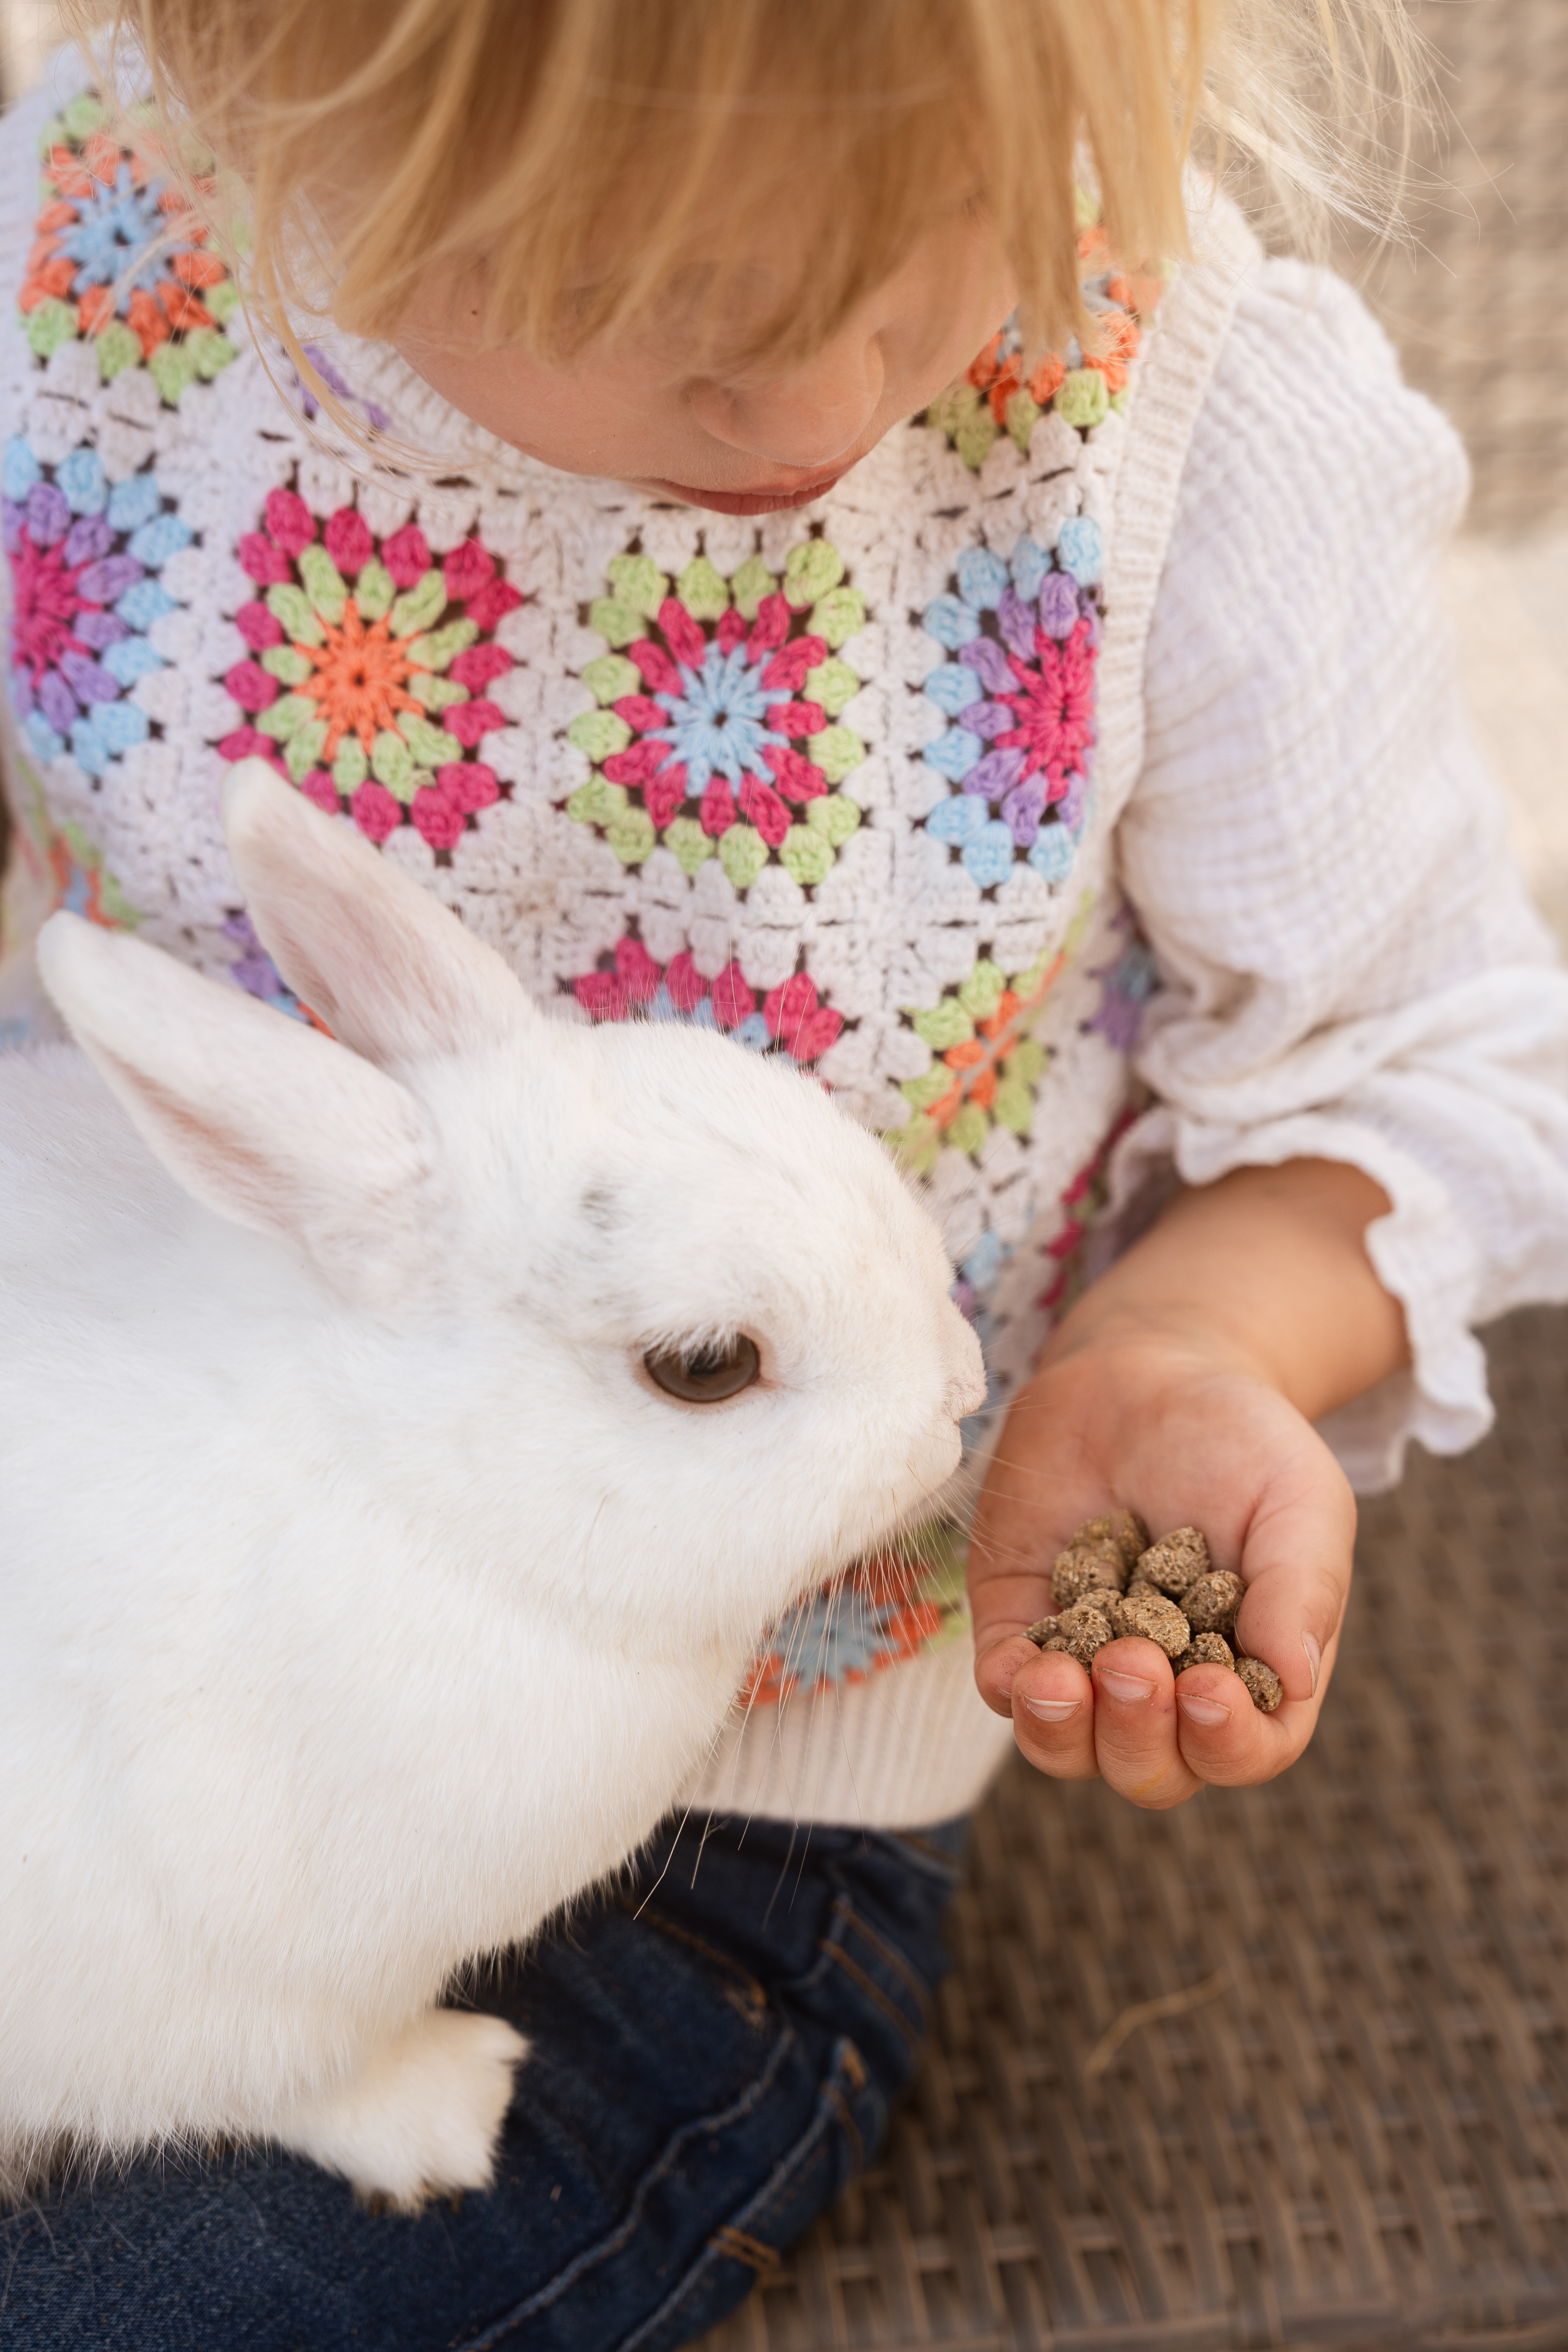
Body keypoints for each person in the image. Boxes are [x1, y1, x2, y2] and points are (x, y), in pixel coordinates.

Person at [1, 1, 1564, 2343]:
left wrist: (1194, 1331)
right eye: (656, 319)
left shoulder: (1179, 440)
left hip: (698, 1824)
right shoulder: (84, 270)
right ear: (251, 79)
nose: (826, 406)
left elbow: (1444, 1057)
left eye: (927, 264)